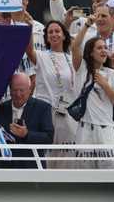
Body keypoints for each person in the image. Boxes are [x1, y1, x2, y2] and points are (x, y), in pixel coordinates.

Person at [25, 20, 77, 168]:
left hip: (67, 112)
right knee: (46, 151)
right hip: (46, 111)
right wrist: (29, 29)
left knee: (66, 152)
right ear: (46, 37)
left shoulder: (72, 58)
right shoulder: (42, 56)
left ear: (64, 36)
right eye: (50, 32)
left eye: (57, 31)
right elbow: (29, 50)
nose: (54, 34)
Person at [71, 34, 114, 169]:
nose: (103, 51)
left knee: (112, 171)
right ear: (90, 52)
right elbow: (75, 46)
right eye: (99, 48)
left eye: (105, 48)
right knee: (84, 175)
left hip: (106, 130)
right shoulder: (82, 70)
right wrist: (87, 24)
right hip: (85, 130)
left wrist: (105, 85)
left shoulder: (113, 74)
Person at [0, 73, 54, 168]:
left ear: (30, 90)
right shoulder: (0, 109)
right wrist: (2, 141)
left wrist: (26, 134)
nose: (18, 94)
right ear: (10, 90)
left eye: (21, 90)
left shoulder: (43, 108)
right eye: (15, 90)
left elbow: (48, 138)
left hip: (32, 169)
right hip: (5, 169)